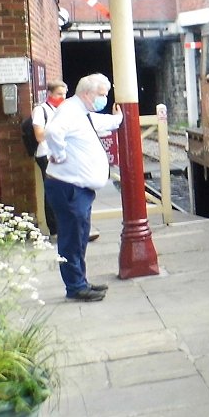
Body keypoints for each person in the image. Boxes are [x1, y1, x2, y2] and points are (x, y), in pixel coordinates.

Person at [44, 73, 123, 302]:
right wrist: (58, 154)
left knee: (78, 237)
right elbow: (52, 132)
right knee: (72, 238)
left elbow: (97, 123)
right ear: (88, 93)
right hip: (69, 187)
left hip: (76, 188)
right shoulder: (70, 110)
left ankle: (80, 281)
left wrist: (117, 119)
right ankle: (75, 286)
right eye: (102, 94)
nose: (104, 99)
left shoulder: (81, 112)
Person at [31, 80, 67, 239]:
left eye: (65, 94)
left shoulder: (62, 110)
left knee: (63, 189)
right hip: (45, 153)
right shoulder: (40, 110)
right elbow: (39, 135)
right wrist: (56, 132)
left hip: (59, 153)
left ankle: (63, 227)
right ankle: (55, 230)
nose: (63, 97)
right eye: (59, 94)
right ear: (50, 94)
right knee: (52, 190)